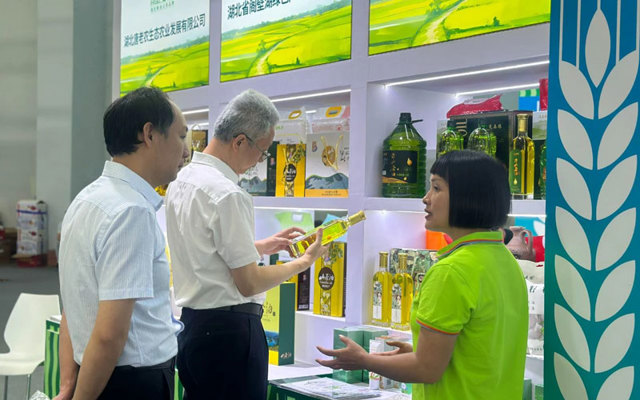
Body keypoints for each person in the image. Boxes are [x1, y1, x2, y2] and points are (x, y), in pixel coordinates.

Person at [317, 150, 528, 399]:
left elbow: (426, 369)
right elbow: (482, 350)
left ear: (467, 197)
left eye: (436, 188)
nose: (426, 199)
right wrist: (418, 351)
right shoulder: (506, 261)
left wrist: (364, 360)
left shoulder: (451, 272)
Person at [165, 89, 327, 400]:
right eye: (262, 151)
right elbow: (249, 282)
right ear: (240, 142)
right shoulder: (228, 194)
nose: (259, 162)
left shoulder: (182, 181)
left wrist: (261, 247)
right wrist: (303, 262)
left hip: (193, 328)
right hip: (229, 335)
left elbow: (205, 249)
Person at [56, 86, 189, 400]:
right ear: (149, 134)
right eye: (181, 136)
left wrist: (69, 386)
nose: (186, 151)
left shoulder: (86, 199)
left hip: (100, 376)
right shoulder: (131, 211)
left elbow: (73, 309)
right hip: (131, 383)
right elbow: (109, 335)